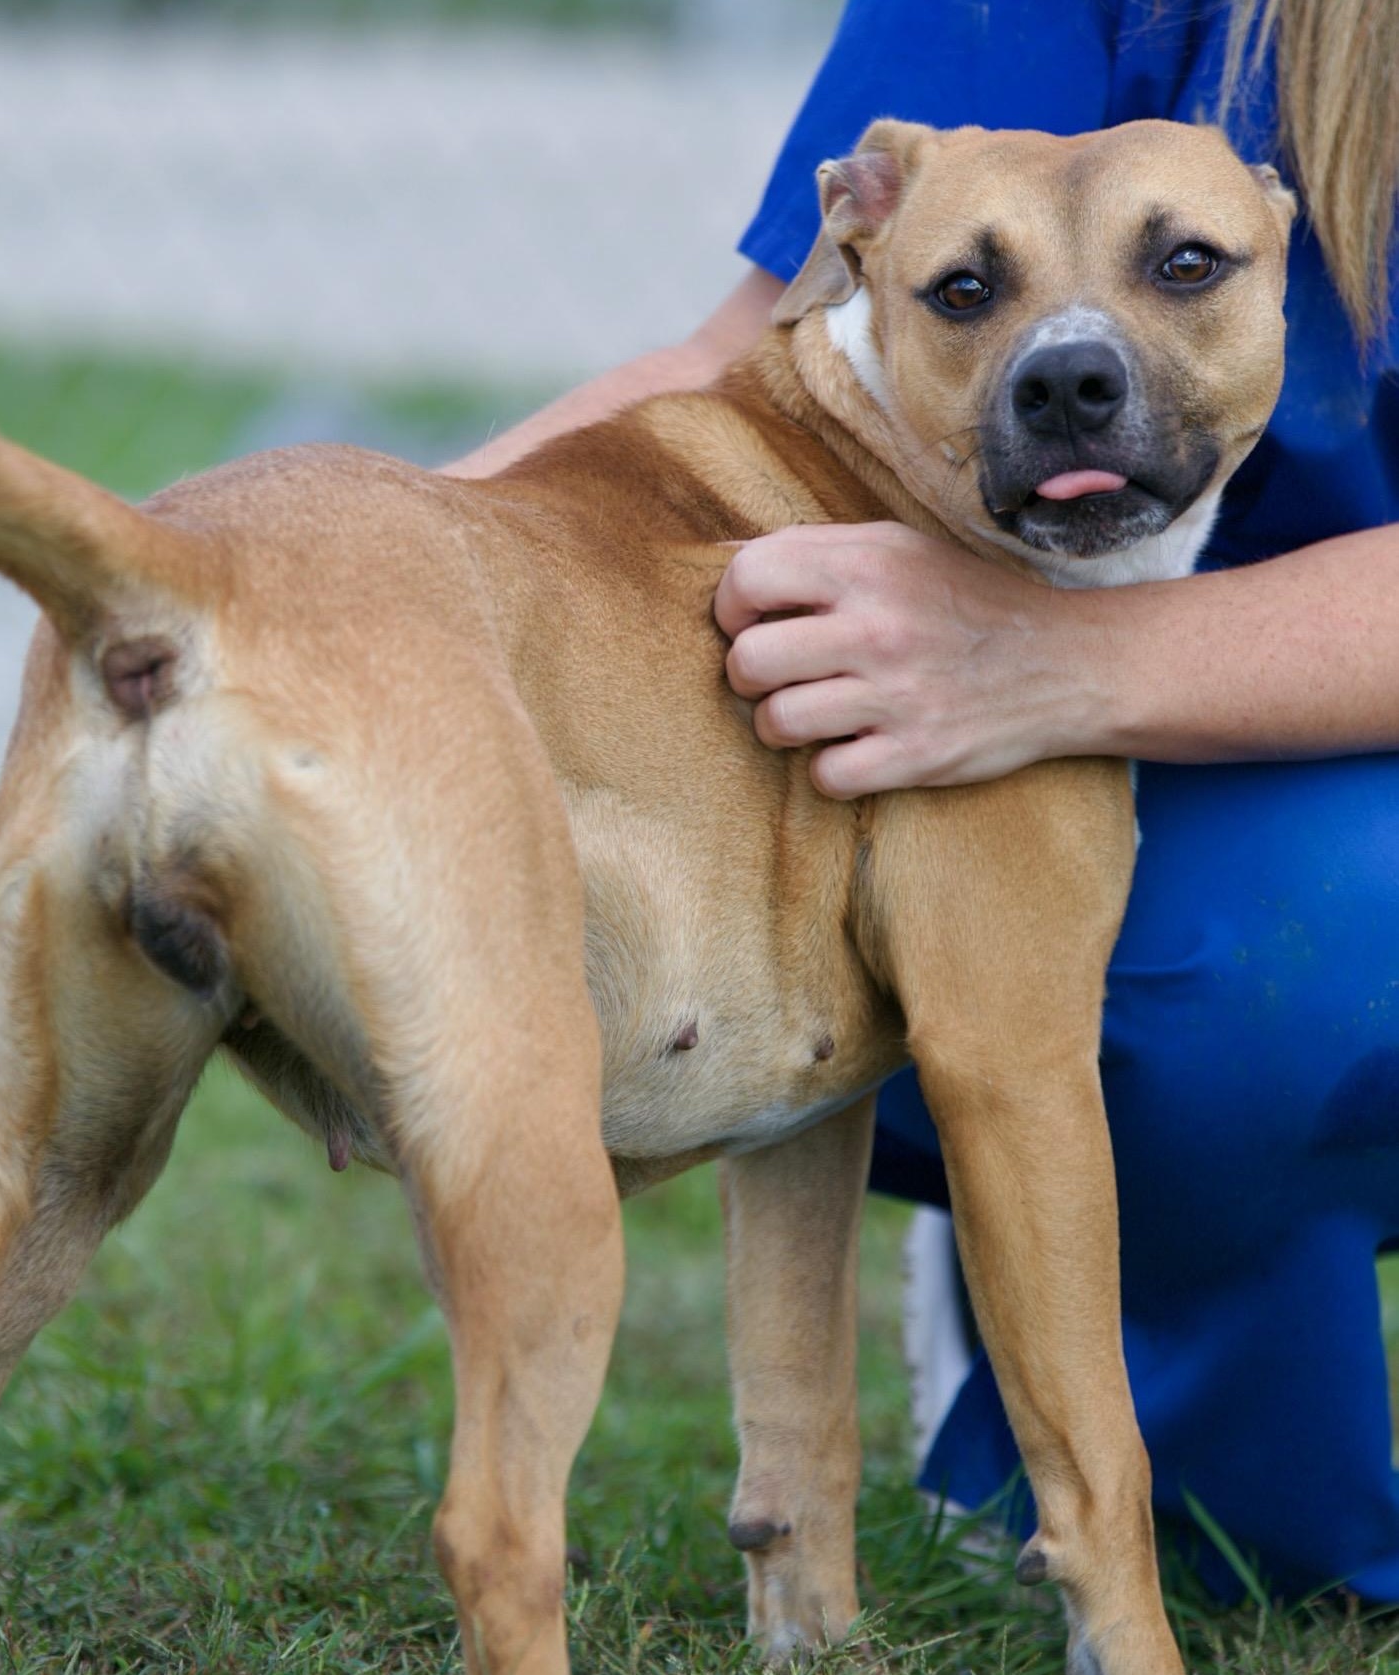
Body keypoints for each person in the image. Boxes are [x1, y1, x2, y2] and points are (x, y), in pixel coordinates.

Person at [448, 0, 1399, 1604]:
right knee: (1164, 975)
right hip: (1147, 777)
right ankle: (1162, 1480)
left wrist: (1058, 658)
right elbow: (724, 354)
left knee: (1301, 958)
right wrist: (289, 612)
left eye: (1185, 271)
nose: (1072, 359)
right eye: (976, 292)